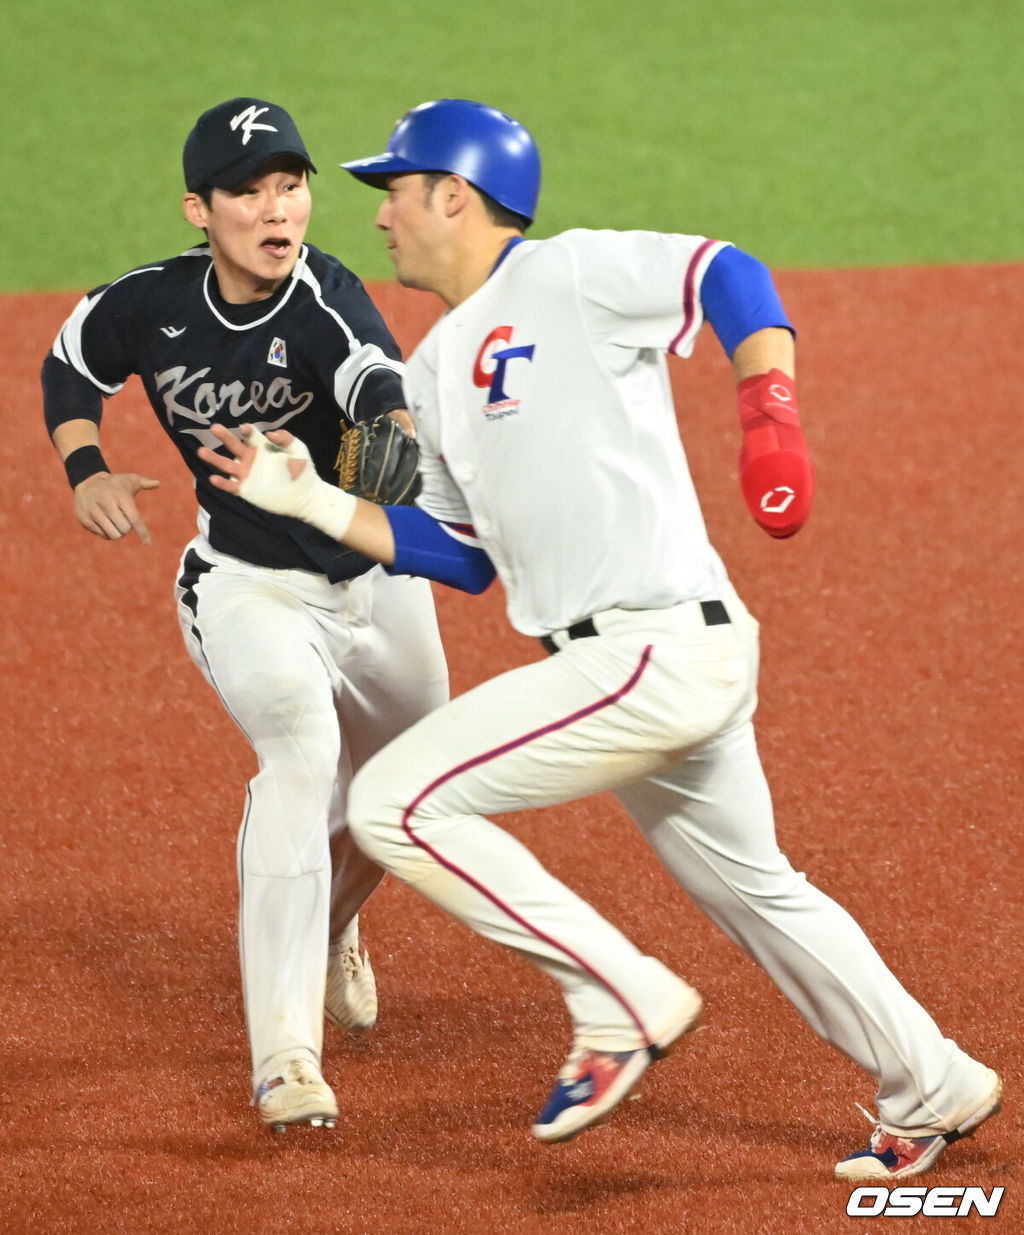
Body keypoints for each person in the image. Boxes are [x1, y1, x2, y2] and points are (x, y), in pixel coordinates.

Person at [198, 98, 1001, 1176]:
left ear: (456, 195)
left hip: (654, 649)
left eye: (393, 190)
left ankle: (614, 995)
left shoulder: (567, 274)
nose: (380, 216)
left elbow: (728, 270)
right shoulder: (435, 368)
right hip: (633, 665)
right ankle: (932, 1077)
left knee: (395, 799)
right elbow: (460, 553)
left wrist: (769, 413)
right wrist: (307, 502)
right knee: (754, 887)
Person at [41, 97, 450, 1132]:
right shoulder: (154, 303)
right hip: (247, 585)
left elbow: (375, 381)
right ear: (201, 209)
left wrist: (390, 435)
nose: (280, 209)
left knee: (406, 789)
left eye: (292, 183)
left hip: (375, 583)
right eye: (249, 190)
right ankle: (285, 1058)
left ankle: (327, 922)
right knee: (304, 755)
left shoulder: (328, 300)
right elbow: (70, 359)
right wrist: (83, 462)